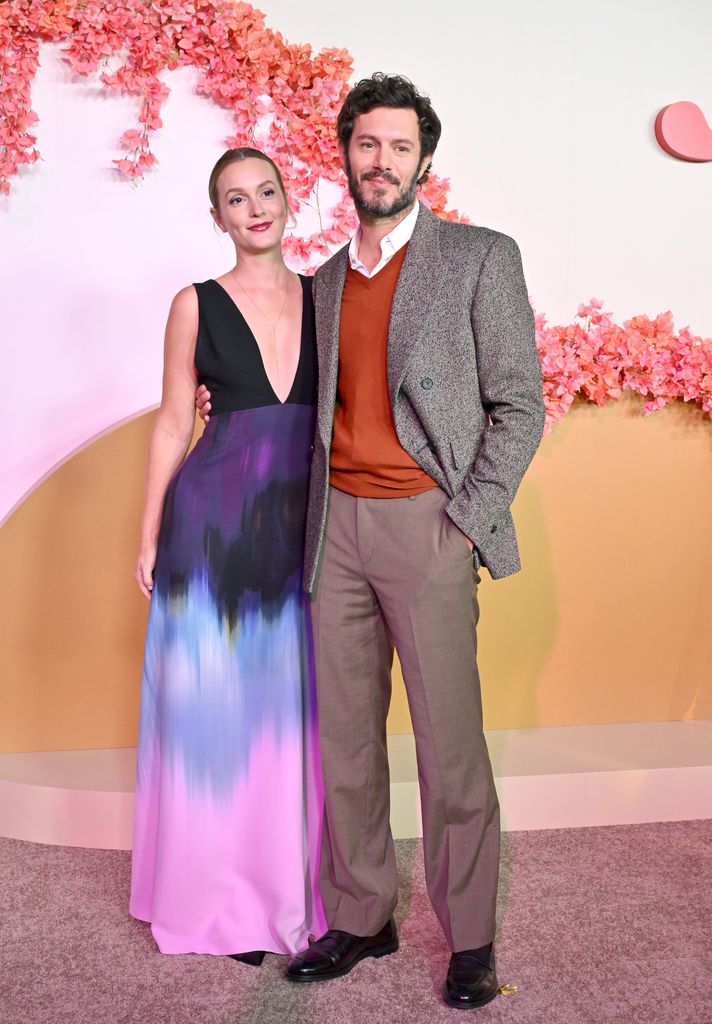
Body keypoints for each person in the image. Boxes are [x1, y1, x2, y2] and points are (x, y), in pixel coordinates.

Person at [198, 73, 545, 1010]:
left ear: (424, 159)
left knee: (449, 748)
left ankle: (470, 940)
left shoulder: (479, 257)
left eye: (399, 146)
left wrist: (463, 517)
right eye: (366, 144)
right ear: (344, 157)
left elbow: (520, 403)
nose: (380, 161)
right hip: (332, 530)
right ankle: (362, 915)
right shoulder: (320, 282)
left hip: (427, 525)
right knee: (344, 740)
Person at [130, 147, 326, 962]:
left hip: (300, 536)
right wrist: (145, 533)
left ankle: (282, 896)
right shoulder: (193, 305)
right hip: (208, 533)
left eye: (266, 192)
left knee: (286, 724)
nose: (255, 208)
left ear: (289, 200)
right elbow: (176, 420)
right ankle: (211, 902)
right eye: (235, 199)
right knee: (214, 726)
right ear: (217, 217)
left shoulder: (332, 298)